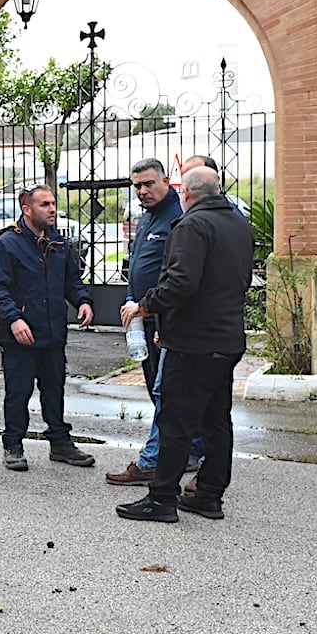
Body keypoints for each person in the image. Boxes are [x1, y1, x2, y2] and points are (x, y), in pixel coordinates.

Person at [116, 160, 253, 522]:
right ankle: (209, 495)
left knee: (175, 422)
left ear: (186, 193)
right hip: (226, 339)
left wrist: (147, 307)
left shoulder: (192, 225)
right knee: (216, 421)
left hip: (192, 343)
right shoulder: (238, 223)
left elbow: (181, 283)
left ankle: (161, 498)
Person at [107, 158, 205, 485]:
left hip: (166, 322)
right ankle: (191, 450)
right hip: (143, 320)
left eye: (149, 183)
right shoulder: (149, 218)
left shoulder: (178, 218)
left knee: (168, 392)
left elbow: (178, 277)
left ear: (167, 181)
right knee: (156, 387)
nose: (143, 191)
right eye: (137, 186)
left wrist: (151, 309)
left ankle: (157, 460)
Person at [0, 184, 96, 471]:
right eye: (45, 204)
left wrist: (82, 301)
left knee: (54, 389)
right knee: (18, 392)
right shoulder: (7, 244)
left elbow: (72, 279)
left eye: (53, 204)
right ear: (27, 209)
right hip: (20, 335)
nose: (52, 209)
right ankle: (13, 444)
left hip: (52, 332)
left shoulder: (58, 243)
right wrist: (14, 319)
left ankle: (60, 443)